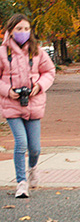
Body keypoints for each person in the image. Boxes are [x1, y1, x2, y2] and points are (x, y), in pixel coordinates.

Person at [0, 14, 56, 198]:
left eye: (26, 29)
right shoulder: (2, 53)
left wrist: (39, 85)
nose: (23, 32)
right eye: (18, 29)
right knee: (21, 143)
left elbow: (49, 71)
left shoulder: (37, 51)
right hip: (11, 105)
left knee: (35, 148)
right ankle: (21, 182)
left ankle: (32, 168)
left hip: (34, 104)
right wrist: (8, 91)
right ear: (10, 31)